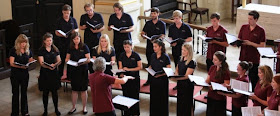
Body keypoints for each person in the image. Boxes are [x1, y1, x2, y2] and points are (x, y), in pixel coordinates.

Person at [237, 10, 266, 91]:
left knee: (253, 79)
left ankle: (253, 96)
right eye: (248, 18)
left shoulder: (261, 31)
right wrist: (236, 43)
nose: (249, 21)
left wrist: (250, 43)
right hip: (243, 57)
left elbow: (262, 46)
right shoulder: (243, 27)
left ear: (256, 20)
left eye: (251, 19)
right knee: (241, 79)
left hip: (253, 59)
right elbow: (239, 39)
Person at [9, 34, 35, 116]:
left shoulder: (28, 50)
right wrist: (20, 66)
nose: (23, 44)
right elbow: (11, 63)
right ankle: (15, 112)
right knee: (15, 93)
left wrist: (31, 61)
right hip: (15, 74)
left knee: (24, 93)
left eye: (25, 42)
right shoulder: (13, 50)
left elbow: (30, 58)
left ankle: (25, 111)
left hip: (25, 74)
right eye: (22, 42)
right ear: (18, 42)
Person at [65, 32, 90, 115]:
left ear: (80, 38)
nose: (76, 40)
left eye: (78, 38)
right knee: (74, 90)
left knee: (83, 90)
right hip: (74, 70)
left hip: (83, 70)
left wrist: (82, 62)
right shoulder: (70, 47)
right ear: (72, 40)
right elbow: (67, 58)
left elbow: (88, 59)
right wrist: (68, 61)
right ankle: (73, 107)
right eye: (75, 39)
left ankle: (84, 107)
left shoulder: (84, 46)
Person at [38, 33, 61, 116]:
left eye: (50, 40)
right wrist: (48, 67)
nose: (49, 42)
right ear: (44, 41)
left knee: (55, 92)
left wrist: (55, 65)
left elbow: (59, 60)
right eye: (47, 41)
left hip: (54, 73)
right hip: (45, 73)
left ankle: (56, 109)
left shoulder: (55, 49)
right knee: (45, 93)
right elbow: (41, 62)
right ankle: (45, 110)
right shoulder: (41, 50)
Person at [141, 7, 166, 86]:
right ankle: (149, 79)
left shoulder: (162, 24)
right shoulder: (148, 23)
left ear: (158, 14)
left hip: (158, 47)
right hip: (149, 46)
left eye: (154, 13)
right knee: (149, 63)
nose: (153, 15)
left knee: (158, 64)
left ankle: (158, 79)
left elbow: (163, 35)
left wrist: (158, 39)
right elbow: (143, 32)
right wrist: (143, 35)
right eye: (152, 13)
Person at [168, 10, 193, 90]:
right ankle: (178, 83)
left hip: (184, 50)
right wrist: (171, 42)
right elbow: (170, 37)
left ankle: (186, 82)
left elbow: (190, 38)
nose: (175, 20)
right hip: (175, 49)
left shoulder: (186, 27)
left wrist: (184, 41)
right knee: (177, 65)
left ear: (181, 18)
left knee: (184, 66)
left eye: (177, 18)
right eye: (174, 19)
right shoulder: (172, 27)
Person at [169, 43, 196, 116]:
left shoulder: (191, 62)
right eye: (182, 50)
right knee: (180, 103)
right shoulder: (180, 59)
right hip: (180, 84)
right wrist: (175, 74)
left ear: (189, 51)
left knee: (186, 104)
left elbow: (187, 76)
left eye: (184, 50)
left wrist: (176, 78)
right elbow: (177, 69)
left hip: (187, 86)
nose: (182, 51)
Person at [118, 40, 142, 116]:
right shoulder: (121, 55)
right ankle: (127, 113)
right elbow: (120, 67)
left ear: (131, 46)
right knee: (126, 95)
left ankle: (135, 113)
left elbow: (140, 67)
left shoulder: (136, 55)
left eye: (128, 47)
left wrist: (129, 69)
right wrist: (121, 73)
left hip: (134, 78)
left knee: (134, 96)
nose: (126, 49)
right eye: (125, 47)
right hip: (125, 79)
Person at [79, 3, 104, 73]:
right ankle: (90, 71)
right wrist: (84, 27)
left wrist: (96, 30)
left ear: (93, 9)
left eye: (90, 10)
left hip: (97, 38)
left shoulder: (98, 16)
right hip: (88, 38)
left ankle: (98, 70)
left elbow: (103, 27)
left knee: (96, 54)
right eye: (87, 11)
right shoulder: (83, 17)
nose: (89, 12)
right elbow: (80, 27)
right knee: (88, 54)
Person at [55, 4, 78, 79]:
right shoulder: (59, 20)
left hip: (71, 42)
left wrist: (74, 31)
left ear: (70, 12)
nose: (66, 15)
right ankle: (60, 74)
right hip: (62, 42)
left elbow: (77, 29)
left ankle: (69, 75)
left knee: (70, 59)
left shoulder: (73, 20)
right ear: (62, 12)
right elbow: (56, 32)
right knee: (62, 59)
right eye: (65, 13)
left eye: (67, 13)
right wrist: (62, 35)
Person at [148, 39, 171, 116]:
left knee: (162, 100)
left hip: (162, 81)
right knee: (154, 99)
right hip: (154, 80)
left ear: (160, 47)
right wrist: (149, 69)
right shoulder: (153, 55)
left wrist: (160, 75)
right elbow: (151, 65)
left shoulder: (165, 57)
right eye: (153, 46)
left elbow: (169, 70)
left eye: (155, 46)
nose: (154, 48)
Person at [205, 51, 230, 116]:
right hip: (211, 95)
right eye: (213, 59)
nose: (213, 61)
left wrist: (216, 87)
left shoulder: (225, 71)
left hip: (219, 98)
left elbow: (226, 86)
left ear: (221, 61)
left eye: (215, 60)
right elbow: (208, 80)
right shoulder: (212, 67)